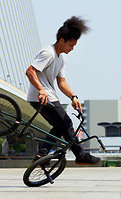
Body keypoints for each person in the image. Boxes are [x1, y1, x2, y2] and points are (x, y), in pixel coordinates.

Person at [26, 16, 101, 165]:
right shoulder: (48, 53)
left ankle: (41, 156)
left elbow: (61, 82)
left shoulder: (62, 58)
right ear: (62, 40)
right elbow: (30, 71)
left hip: (47, 96)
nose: (72, 49)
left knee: (59, 126)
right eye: (71, 45)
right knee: (66, 123)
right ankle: (80, 155)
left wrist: (73, 97)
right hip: (42, 97)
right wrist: (41, 90)